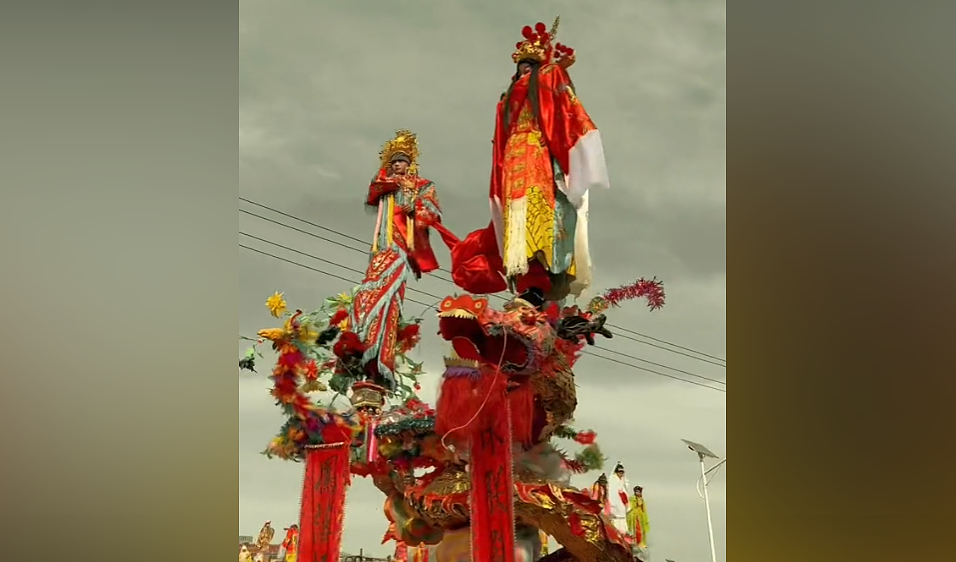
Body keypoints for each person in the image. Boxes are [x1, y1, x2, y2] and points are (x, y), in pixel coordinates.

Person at [489, 16, 609, 303]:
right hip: (514, 160)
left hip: (536, 154)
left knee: (539, 214)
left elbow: (554, 94)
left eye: (531, 65)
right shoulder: (508, 99)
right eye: (521, 65)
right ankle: (528, 281)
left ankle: (539, 280)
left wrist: (557, 69)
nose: (525, 70)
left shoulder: (541, 81)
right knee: (518, 216)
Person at [350, 130, 445, 389]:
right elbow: (374, 190)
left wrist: (416, 207)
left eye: (401, 160)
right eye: (393, 161)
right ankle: (363, 340)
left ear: (411, 163)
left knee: (389, 298)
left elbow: (433, 212)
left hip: (402, 246)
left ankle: (380, 351)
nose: (396, 164)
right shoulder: (385, 184)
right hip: (382, 245)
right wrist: (394, 182)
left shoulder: (422, 185)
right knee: (369, 293)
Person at [606, 462, 630, 534]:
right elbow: (612, 492)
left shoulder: (622, 480)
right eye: (619, 472)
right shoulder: (612, 480)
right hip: (615, 501)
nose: (621, 474)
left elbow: (623, 489)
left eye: (622, 472)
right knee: (615, 516)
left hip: (621, 500)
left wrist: (625, 499)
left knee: (622, 515)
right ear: (616, 472)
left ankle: (622, 532)